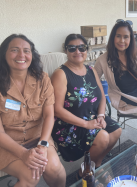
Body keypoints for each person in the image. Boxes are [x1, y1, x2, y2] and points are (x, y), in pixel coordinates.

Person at [0, 34, 66, 187]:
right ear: (4, 55)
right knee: (30, 175)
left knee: (55, 168)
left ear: (32, 55)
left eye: (26, 50)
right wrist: (23, 154)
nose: (21, 55)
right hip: (6, 143)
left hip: (39, 137)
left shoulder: (43, 79)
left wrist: (43, 144)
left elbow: (48, 115)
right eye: (14, 50)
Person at [51, 34, 121, 177]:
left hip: (92, 116)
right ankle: (84, 172)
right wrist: (86, 124)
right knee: (103, 138)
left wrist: (101, 115)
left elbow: (101, 96)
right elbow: (57, 110)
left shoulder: (91, 70)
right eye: (72, 48)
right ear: (66, 51)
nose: (77, 51)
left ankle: (95, 164)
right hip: (69, 123)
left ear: (86, 50)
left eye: (81, 47)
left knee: (116, 131)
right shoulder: (61, 74)